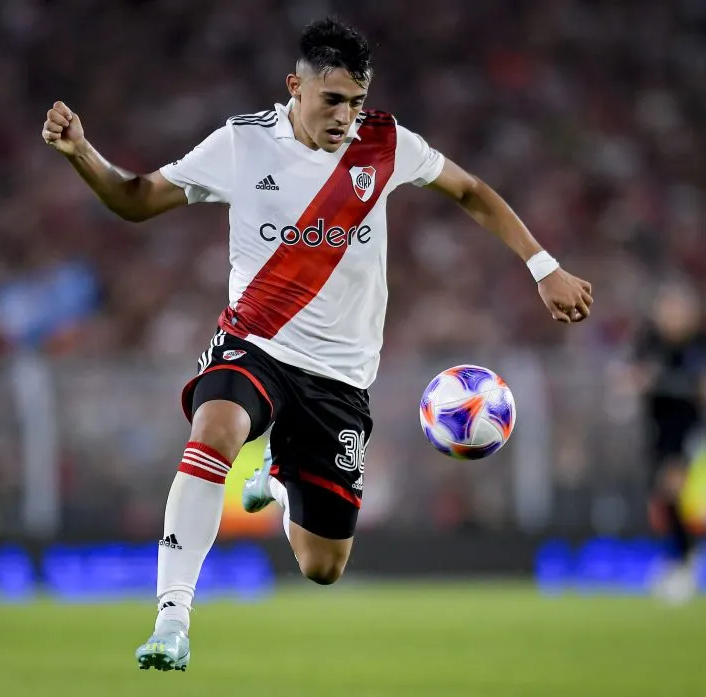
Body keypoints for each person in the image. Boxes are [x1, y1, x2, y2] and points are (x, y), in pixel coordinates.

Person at [42, 17, 593, 671]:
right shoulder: (242, 144)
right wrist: (83, 153)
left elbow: (470, 191)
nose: (346, 116)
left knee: (322, 564)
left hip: (340, 378)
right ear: (294, 88)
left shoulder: (387, 145)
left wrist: (542, 266)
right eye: (333, 100)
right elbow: (135, 200)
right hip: (255, 343)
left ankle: (278, 476)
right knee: (214, 431)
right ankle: (172, 618)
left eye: (357, 101)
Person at [629, 282, 706, 603]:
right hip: (656, 430)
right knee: (663, 497)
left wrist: (690, 386)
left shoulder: (701, 344)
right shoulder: (649, 340)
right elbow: (633, 377)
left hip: (688, 431)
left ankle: (685, 559)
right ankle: (682, 556)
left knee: (673, 489)